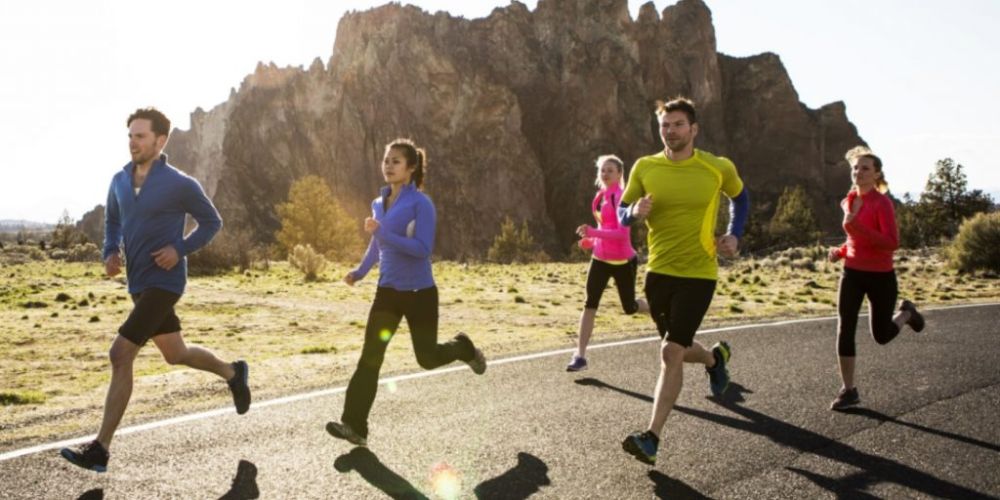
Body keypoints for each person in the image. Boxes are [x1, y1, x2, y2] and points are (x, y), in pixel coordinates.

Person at [60, 108, 250, 472]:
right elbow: (113, 220)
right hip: (139, 282)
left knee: (120, 354)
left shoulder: (180, 183)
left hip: (166, 282)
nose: (133, 142)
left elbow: (212, 222)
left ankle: (100, 449)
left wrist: (179, 248)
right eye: (130, 136)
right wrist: (110, 250)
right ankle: (232, 373)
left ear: (160, 141)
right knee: (175, 353)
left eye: (140, 136)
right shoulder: (118, 180)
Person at [326, 138, 487, 447]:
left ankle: (463, 348)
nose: (388, 165)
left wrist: (383, 231)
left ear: (411, 168)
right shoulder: (379, 202)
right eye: (386, 160)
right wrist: (359, 273)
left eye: (396, 161)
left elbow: (422, 249)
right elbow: (377, 245)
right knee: (370, 359)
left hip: (420, 293)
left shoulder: (420, 204)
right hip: (387, 292)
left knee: (426, 358)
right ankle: (354, 425)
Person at [619, 97, 749, 465]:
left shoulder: (716, 167)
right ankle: (713, 358)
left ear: (693, 129)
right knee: (676, 347)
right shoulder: (645, 167)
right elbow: (620, 211)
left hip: (698, 272)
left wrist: (733, 234)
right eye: (665, 125)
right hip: (658, 274)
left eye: (678, 124)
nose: (671, 131)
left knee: (670, 352)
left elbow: (741, 198)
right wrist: (633, 212)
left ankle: (651, 437)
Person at [827, 146, 924, 411]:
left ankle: (906, 314)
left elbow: (891, 243)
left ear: (877, 174)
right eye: (855, 168)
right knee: (844, 327)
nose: (858, 172)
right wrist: (840, 252)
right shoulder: (848, 200)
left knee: (881, 335)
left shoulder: (882, 204)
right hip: (852, 273)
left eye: (865, 168)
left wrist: (856, 225)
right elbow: (853, 240)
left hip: (881, 277)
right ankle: (849, 390)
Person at [567, 155, 649, 371]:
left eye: (610, 170)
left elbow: (621, 234)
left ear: (620, 174)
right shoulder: (600, 197)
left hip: (623, 261)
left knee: (629, 308)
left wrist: (594, 232)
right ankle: (580, 355)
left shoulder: (621, 198)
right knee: (590, 303)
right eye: (602, 170)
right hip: (600, 259)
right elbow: (604, 228)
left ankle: (655, 308)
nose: (605, 174)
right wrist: (591, 241)